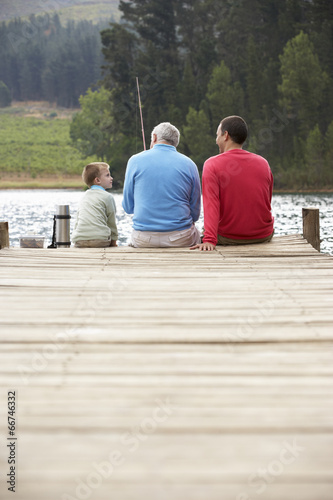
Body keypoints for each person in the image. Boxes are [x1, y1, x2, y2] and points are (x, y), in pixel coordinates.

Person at [191, 115, 274, 251]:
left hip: (229, 237)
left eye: (217, 135)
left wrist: (210, 240)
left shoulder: (212, 164)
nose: (216, 140)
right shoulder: (263, 163)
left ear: (225, 135)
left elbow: (211, 204)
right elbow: (267, 200)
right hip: (263, 235)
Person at [122, 122, 201, 247]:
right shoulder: (190, 164)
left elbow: (128, 207)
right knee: (198, 233)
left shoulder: (134, 160)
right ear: (175, 142)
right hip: (180, 239)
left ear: (154, 137)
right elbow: (195, 213)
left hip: (144, 240)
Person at [72, 162, 118, 248]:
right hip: (100, 240)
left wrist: (76, 237)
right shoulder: (108, 197)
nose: (111, 178)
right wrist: (113, 241)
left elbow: (78, 220)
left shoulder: (84, 196)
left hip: (80, 240)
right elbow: (111, 222)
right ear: (97, 180)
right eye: (107, 175)